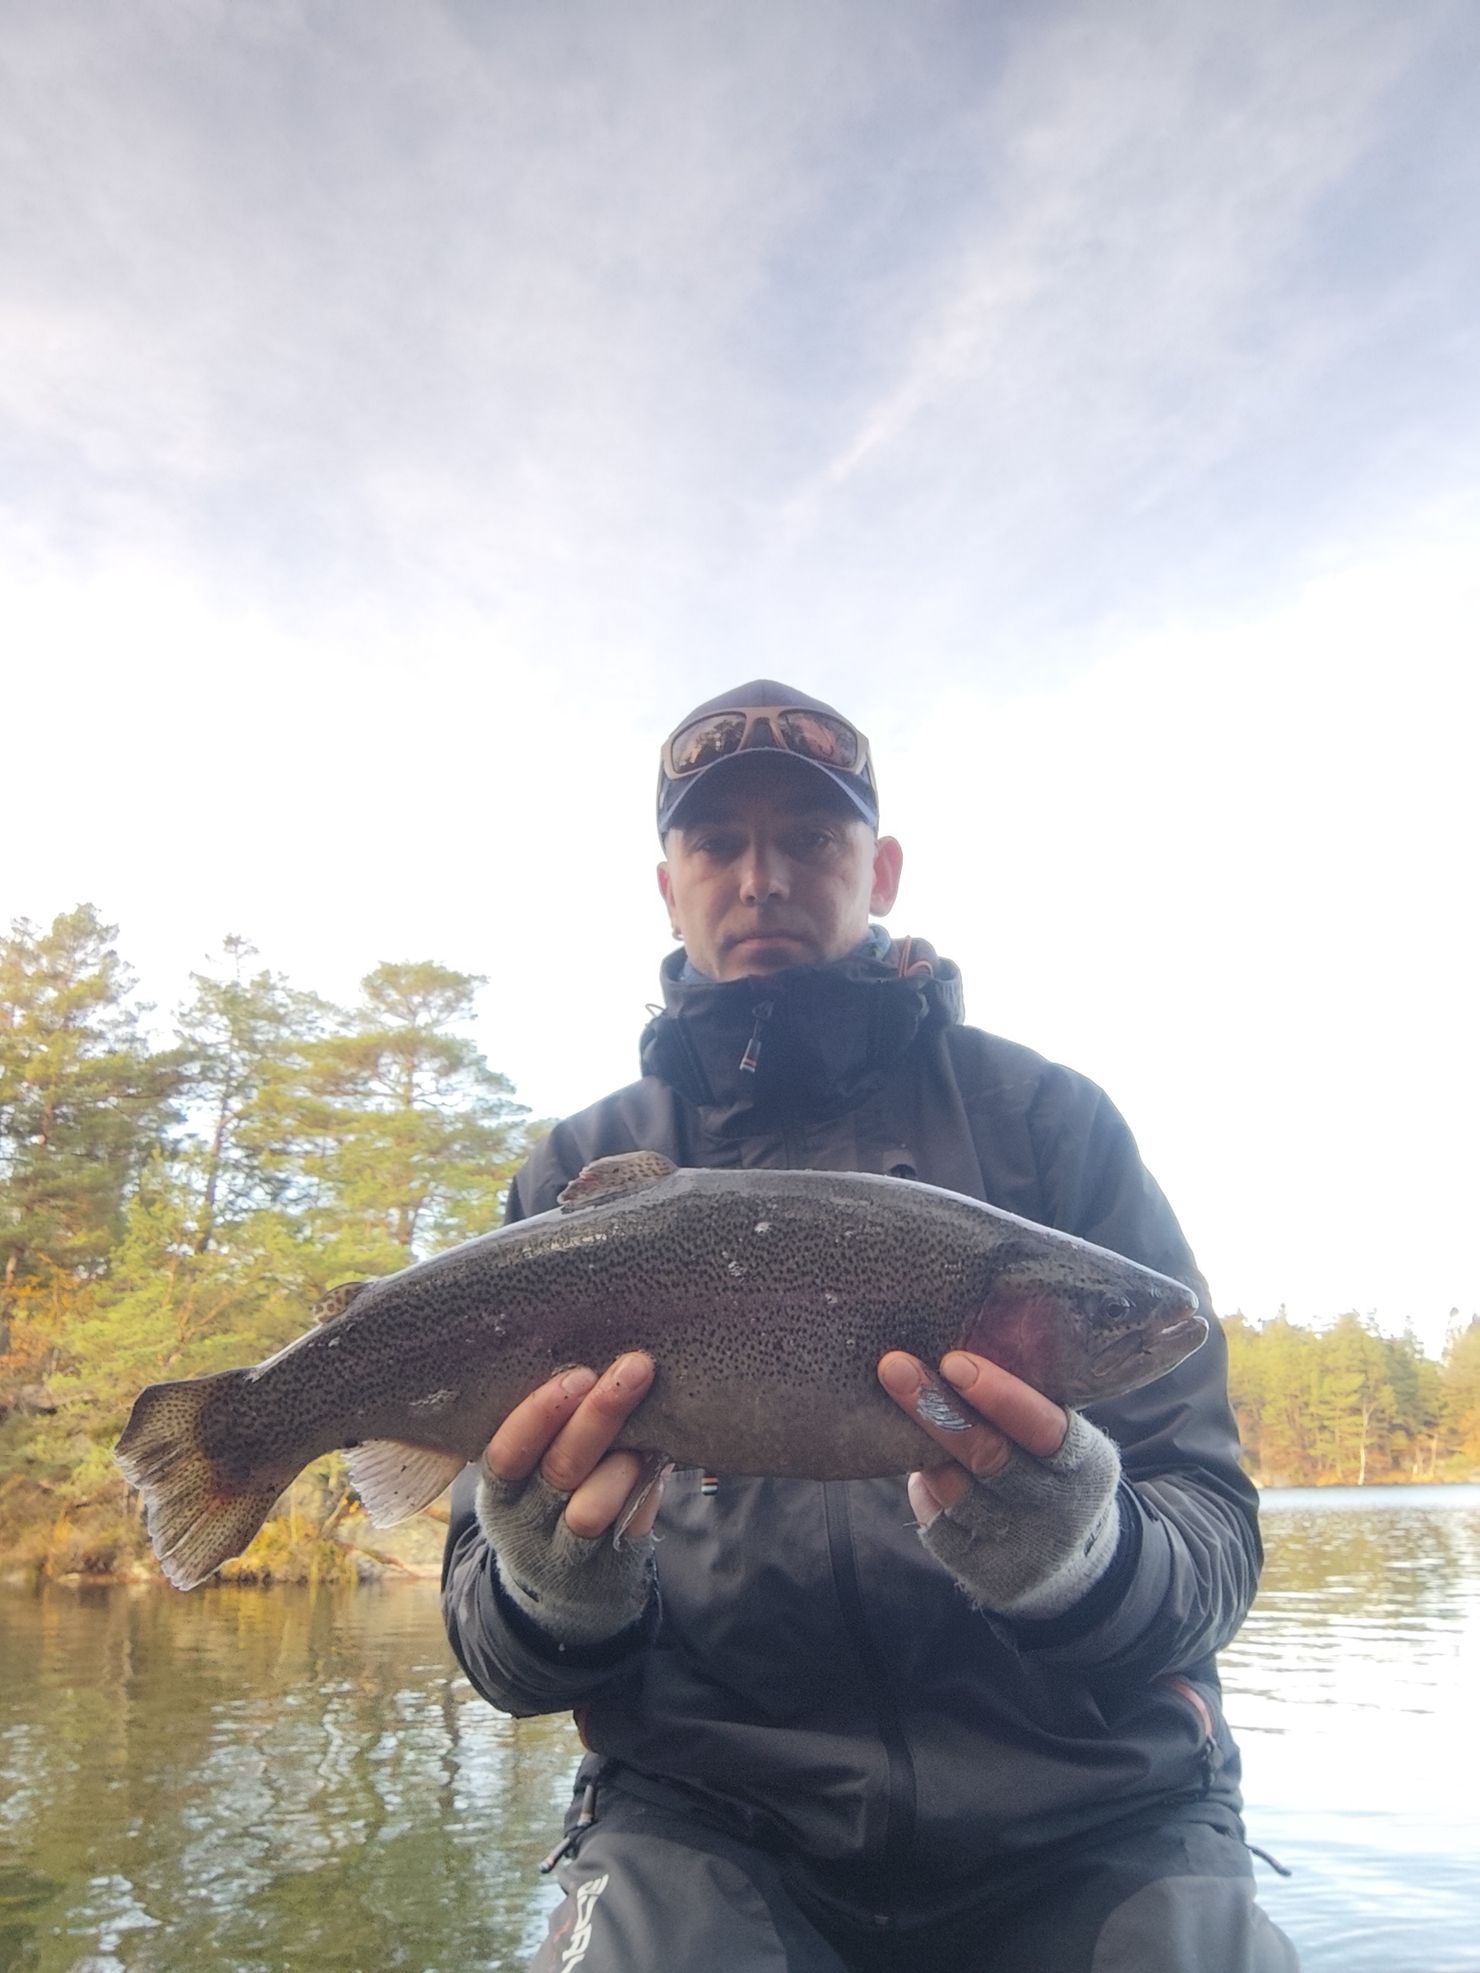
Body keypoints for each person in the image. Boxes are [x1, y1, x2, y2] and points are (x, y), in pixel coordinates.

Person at [441, 682, 1298, 1972]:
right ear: (666, 887)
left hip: (1096, 1811)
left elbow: (1212, 1545)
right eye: (717, 843)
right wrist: (554, 1587)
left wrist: (1082, 1554)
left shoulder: (1049, 1125)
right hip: (704, 1814)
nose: (762, 878)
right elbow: (500, 1653)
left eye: (811, 837)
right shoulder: (576, 1173)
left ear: (881, 870)